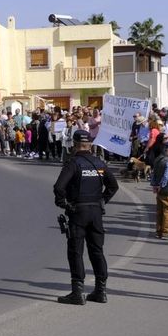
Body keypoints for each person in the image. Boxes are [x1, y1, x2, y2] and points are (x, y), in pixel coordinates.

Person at [52, 129, 118, 305]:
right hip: (96, 212)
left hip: (78, 212)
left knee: (76, 251)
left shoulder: (73, 163)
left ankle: (77, 292)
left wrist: (63, 203)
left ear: (74, 145)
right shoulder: (100, 163)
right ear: (90, 145)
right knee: (97, 250)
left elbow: (59, 187)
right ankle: (101, 291)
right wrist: (102, 201)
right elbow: (113, 186)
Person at [151, 140, 168, 239]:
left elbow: (153, 173)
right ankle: (166, 232)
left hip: (159, 190)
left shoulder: (158, 159)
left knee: (160, 210)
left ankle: (159, 231)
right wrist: (161, 185)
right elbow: (167, 175)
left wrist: (154, 185)